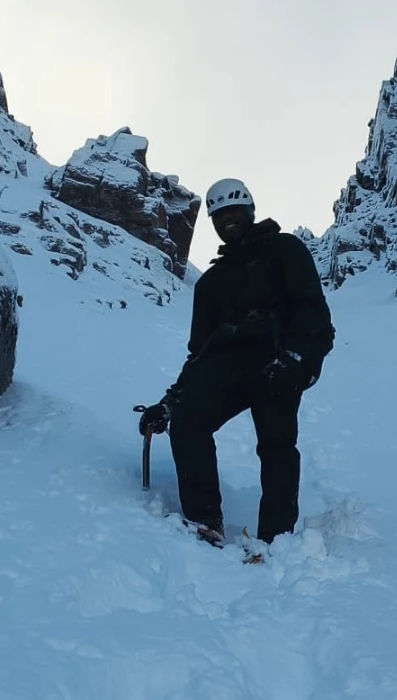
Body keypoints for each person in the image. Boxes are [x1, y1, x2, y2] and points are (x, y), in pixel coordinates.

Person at [138, 178, 335, 547]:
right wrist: (170, 401)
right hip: (231, 365)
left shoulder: (285, 249)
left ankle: (276, 539)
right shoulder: (211, 283)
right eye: (219, 215)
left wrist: (295, 357)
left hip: (279, 358)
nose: (227, 220)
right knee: (189, 420)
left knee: (276, 444)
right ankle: (205, 520)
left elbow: (311, 308)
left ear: (249, 212)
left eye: (233, 212)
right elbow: (200, 353)